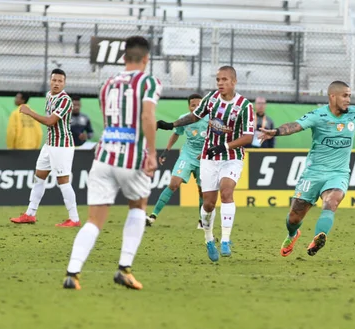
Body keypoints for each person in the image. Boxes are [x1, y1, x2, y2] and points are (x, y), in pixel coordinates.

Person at [259, 81, 355, 257]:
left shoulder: (354, 114)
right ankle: (293, 234)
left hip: (338, 174)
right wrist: (275, 132)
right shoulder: (318, 115)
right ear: (333, 96)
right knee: (294, 217)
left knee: (332, 201)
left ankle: (318, 238)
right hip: (313, 173)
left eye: (349, 96)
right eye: (345, 96)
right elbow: (295, 126)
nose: (348, 100)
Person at [62, 36, 161, 290]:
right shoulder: (148, 82)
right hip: (131, 157)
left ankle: (72, 273)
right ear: (146, 59)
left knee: (93, 220)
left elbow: (108, 120)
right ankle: (124, 269)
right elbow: (148, 116)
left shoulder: (106, 84)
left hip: (104, 155)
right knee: (138, 207)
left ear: (124, 58)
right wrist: (151, 152)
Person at [157, 65, 254, 262]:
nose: (220, 83)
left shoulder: (245, 106)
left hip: (231, 157)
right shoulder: (211, 99)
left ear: (233, 82)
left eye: (224, 80)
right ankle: (209, 239)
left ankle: (225, 239)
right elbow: (195, 116)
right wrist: (172, 124)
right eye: (218, 79)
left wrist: (224, 147)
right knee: (209, 204)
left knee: (227, 192)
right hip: (209, 158)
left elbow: (248, 137)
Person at [10, 69, 80, 227]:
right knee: (39, 177)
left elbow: (50, 121)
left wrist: (29, 112)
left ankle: (74, 218)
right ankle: (30, 214)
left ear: (64, 83)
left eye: (60, 81)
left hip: (62, 146)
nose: (56, 83)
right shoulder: (49, 95)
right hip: (50, 145)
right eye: (54, 80)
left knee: (63, 181)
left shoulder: (65, 100)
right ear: (50, 81)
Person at [146, 93, 208, 229]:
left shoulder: (211, 119)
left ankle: (202, 221)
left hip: (204, 158)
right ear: (189, 107)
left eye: (199, 105)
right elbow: (176, 134)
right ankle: (153, 216)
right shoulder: (184, 119)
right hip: (188, 155)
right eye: (193, 105)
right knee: (173, 184)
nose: (196, 107)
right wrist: (166, 151)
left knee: (203, 190)